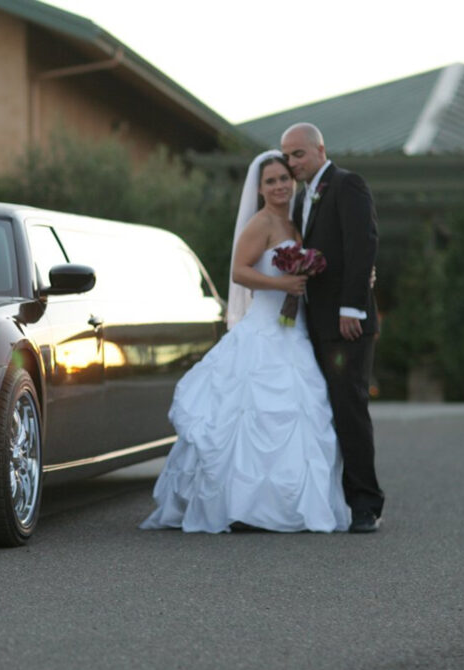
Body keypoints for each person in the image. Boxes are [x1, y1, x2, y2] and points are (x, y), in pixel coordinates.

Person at [140, 150, 351, 533]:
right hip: (264, 330)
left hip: (294, 331)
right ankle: (242, 506)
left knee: (305, 409)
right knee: (249, 415)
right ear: (259, 188)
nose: (279, 186)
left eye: (284, 178)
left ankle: (288, 506)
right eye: (270, 181)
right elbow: (239, 272)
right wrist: (281, 283)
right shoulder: (261, 223)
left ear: (293, 182)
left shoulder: (296, 224)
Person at [281, 122, 383, 533]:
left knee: (349, 407)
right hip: (314, 322)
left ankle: (365, 504)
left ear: (320, 149)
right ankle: (335, 498)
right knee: (325, 409)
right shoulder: (304, 196)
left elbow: (364, 244)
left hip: (346, 323)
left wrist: (352, 309)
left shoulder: (347, 184)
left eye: (298, 154)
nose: (292, 163)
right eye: (287, 156)